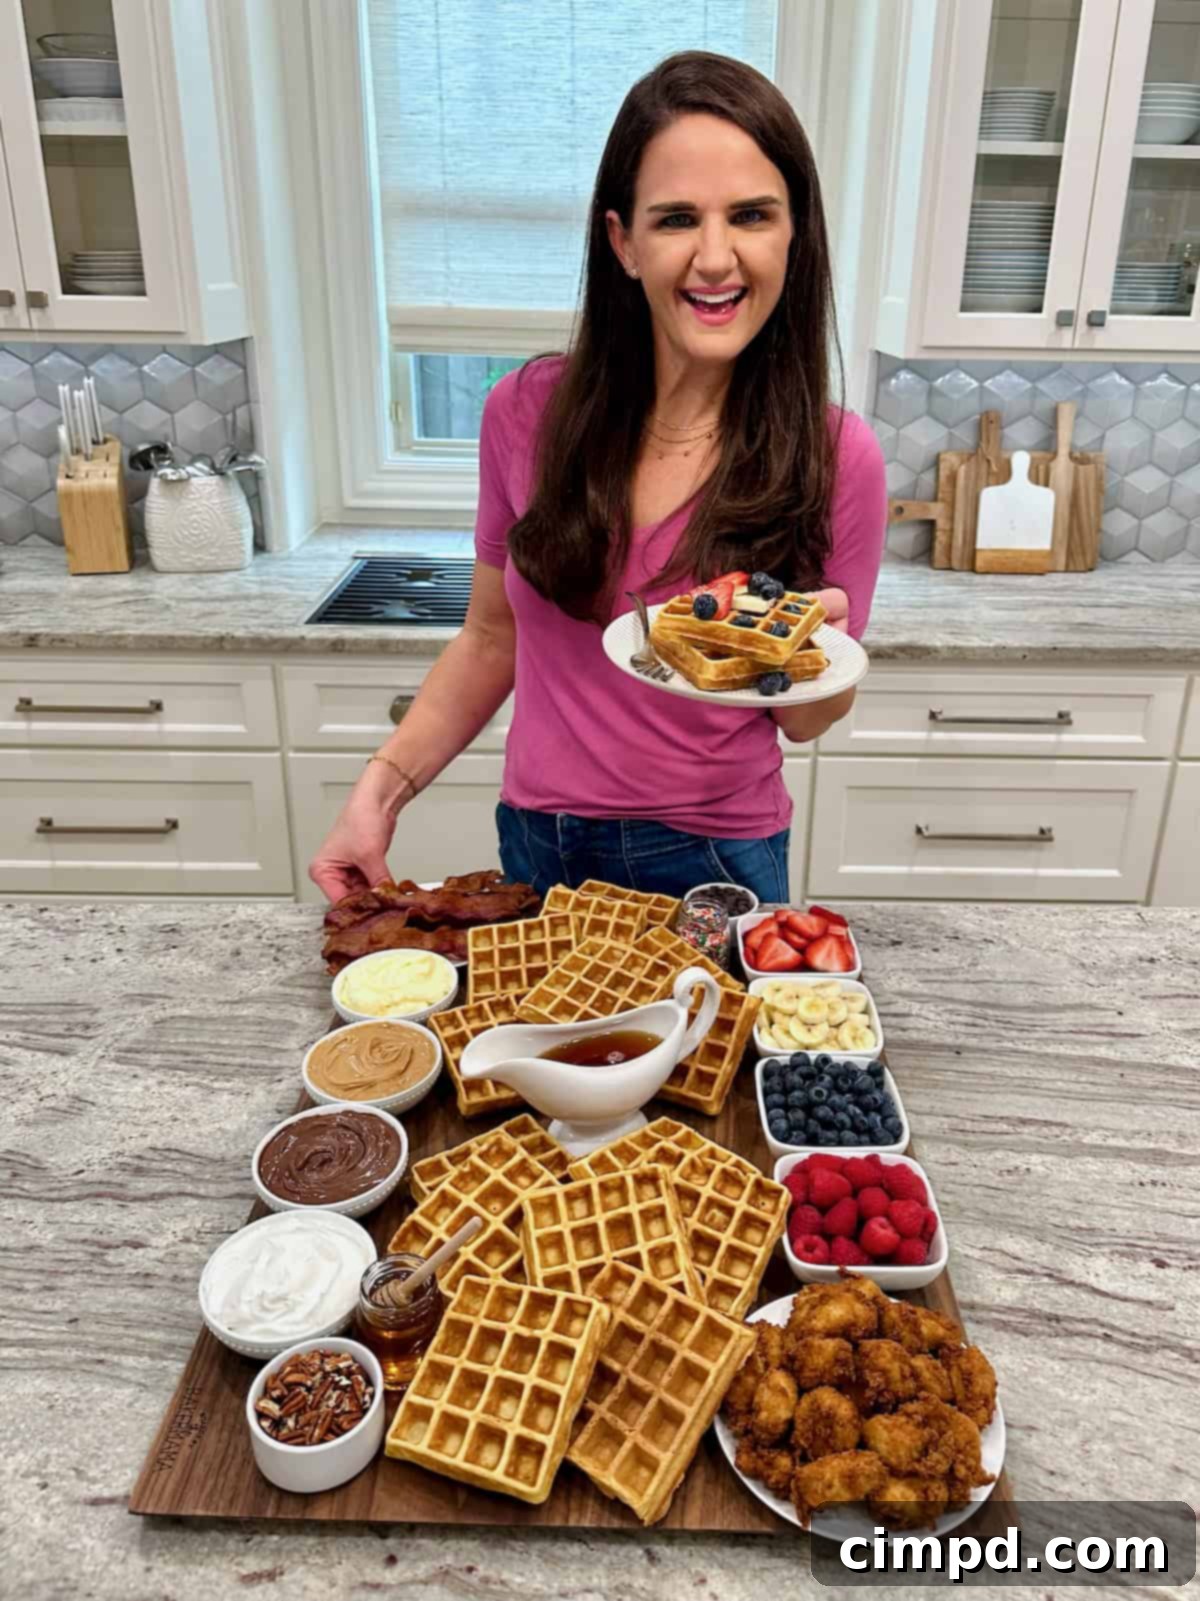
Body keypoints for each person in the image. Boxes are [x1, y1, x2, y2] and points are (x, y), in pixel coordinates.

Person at [309, 50, 886, 907]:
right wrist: (377, 795)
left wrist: (816, 661)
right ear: (623, 241)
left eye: (753, 215)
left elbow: (800, 720)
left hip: (713, 859)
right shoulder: (524, 414)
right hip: (538, 839)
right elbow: (491, 640)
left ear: (794, 234)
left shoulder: (837, 458)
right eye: (677, 218)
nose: (717, 257)